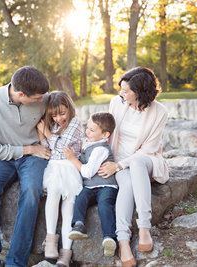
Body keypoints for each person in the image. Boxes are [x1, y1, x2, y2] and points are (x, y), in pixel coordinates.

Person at [0, 66, 51, 267]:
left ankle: (16, 262)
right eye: (36, 98)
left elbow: (65, 121)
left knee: (32, 192)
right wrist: (27, 149)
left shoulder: (44, 98)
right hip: (3, 158)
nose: (41, 101)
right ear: (20, 94)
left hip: (34, 156)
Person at [98, 67, 169, 267]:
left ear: (140, 93)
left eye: (126, 91)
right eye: (121, 89)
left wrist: (120, 164)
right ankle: (123, 241)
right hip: (117, 161)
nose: (121, 94)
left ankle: (145, 227)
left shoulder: (159, 112)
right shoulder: (116, 103)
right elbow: (106, 134)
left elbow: (149, 149)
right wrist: (112, 163)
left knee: (136, 163)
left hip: (145, 159)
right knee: (127, 184)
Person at [36, 91, 83, 267]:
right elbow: (47, 148)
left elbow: (62, 146)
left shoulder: (75, 123)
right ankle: (50, 241)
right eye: (53, 115)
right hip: (55, 167)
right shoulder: (53, 126)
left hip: (70, 168)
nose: (58, 119)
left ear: (69, 108)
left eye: (62, 113)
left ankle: (66, 252)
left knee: (68, 207)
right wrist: (43, 135)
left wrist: (46, 132)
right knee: (53, 194)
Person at [64, 112, 118, 258]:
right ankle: (79, 225)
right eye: (87, 128)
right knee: (81, 199)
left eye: (92, 130)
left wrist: (72, 159)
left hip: (106, 186)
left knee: (104, 205)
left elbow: (87, 172)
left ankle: (109, 237)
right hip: (90, 187)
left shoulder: (100, 149)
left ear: (105, 134)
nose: (87, 132)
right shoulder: (90, 144)